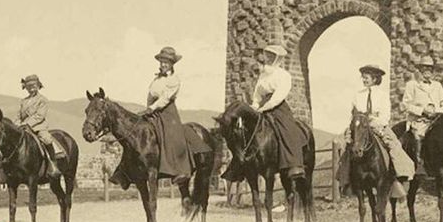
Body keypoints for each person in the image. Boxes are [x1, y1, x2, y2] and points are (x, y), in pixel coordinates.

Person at [109, 46, 211, 189]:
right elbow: (151, 95)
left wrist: (152, 108)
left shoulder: (174, 79)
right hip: (152, 111)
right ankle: (124, 172)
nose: (163, 64)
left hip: (167, 112)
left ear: (172, 64)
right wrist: (147, 109)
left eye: (166, 62)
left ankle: (180, 170)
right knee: (136, 135)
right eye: (162, 61)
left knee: (171, 134)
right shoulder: (156, 79)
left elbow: (165, 98)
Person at [222, 45, 307, 181]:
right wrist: (254, 107)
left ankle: (294, 164)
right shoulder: (263, 75)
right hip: (262, 106)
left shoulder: (283, 75)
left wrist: (267, 106)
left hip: (278, 107)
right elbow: (257, 95)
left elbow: (280, 95)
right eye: (267, 55)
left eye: (271, 56)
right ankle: (238, 166)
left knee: (287, 129)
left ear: (277, 59)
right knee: (242, 131)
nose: (268, 58)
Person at [337, 65, 416, 198]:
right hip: (359, 127)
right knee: (347, 146)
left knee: (394, 146)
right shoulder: (358, 95)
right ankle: (346, 181)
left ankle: (399, 176)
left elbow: (385, 117)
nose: (364, 80)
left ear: (374, 78)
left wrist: (374, 121)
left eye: (366, 77)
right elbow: (353, 114)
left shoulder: (382, 95)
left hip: (377, 126)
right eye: (363, 77)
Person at [402, 55, 443, 177]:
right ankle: (420, 164)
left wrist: (437, 111)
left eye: (430, 68)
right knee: (418, 136)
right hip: (419, 120)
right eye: (424, 68)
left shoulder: (437, 85)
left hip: (436, 119)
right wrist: (422, 111)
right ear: (420, 69)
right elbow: (406, 104)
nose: (427, 71)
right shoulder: (412, 85)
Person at [14, 74, 63, 178]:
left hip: (38, 127)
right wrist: (16, 124)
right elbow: (18, 115)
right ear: (26, 88)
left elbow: (39, 116)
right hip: (23, 128)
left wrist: (27, 124)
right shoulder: (23, 101)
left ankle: (53, 165)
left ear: (38, 86)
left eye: (33, 86)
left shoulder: (43, 100)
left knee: (47, 139)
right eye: (29, 86)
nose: (31, 88)